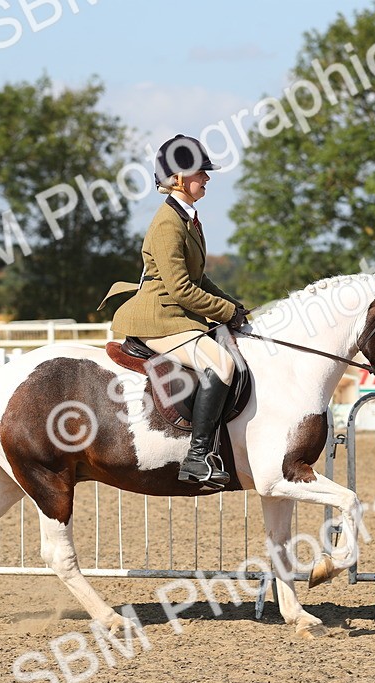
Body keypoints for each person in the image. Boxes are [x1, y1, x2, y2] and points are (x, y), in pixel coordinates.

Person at [104, 135, 248, 488]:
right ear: (180, 179)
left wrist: (233, 304)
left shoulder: (185, 218)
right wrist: (226, 312)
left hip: (174, 313)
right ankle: (198, 458)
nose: (207, 179)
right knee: (223, 362)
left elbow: (198, 277)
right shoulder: (168, 223)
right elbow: (181, 289)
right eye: (202, 173)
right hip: (160, 318)